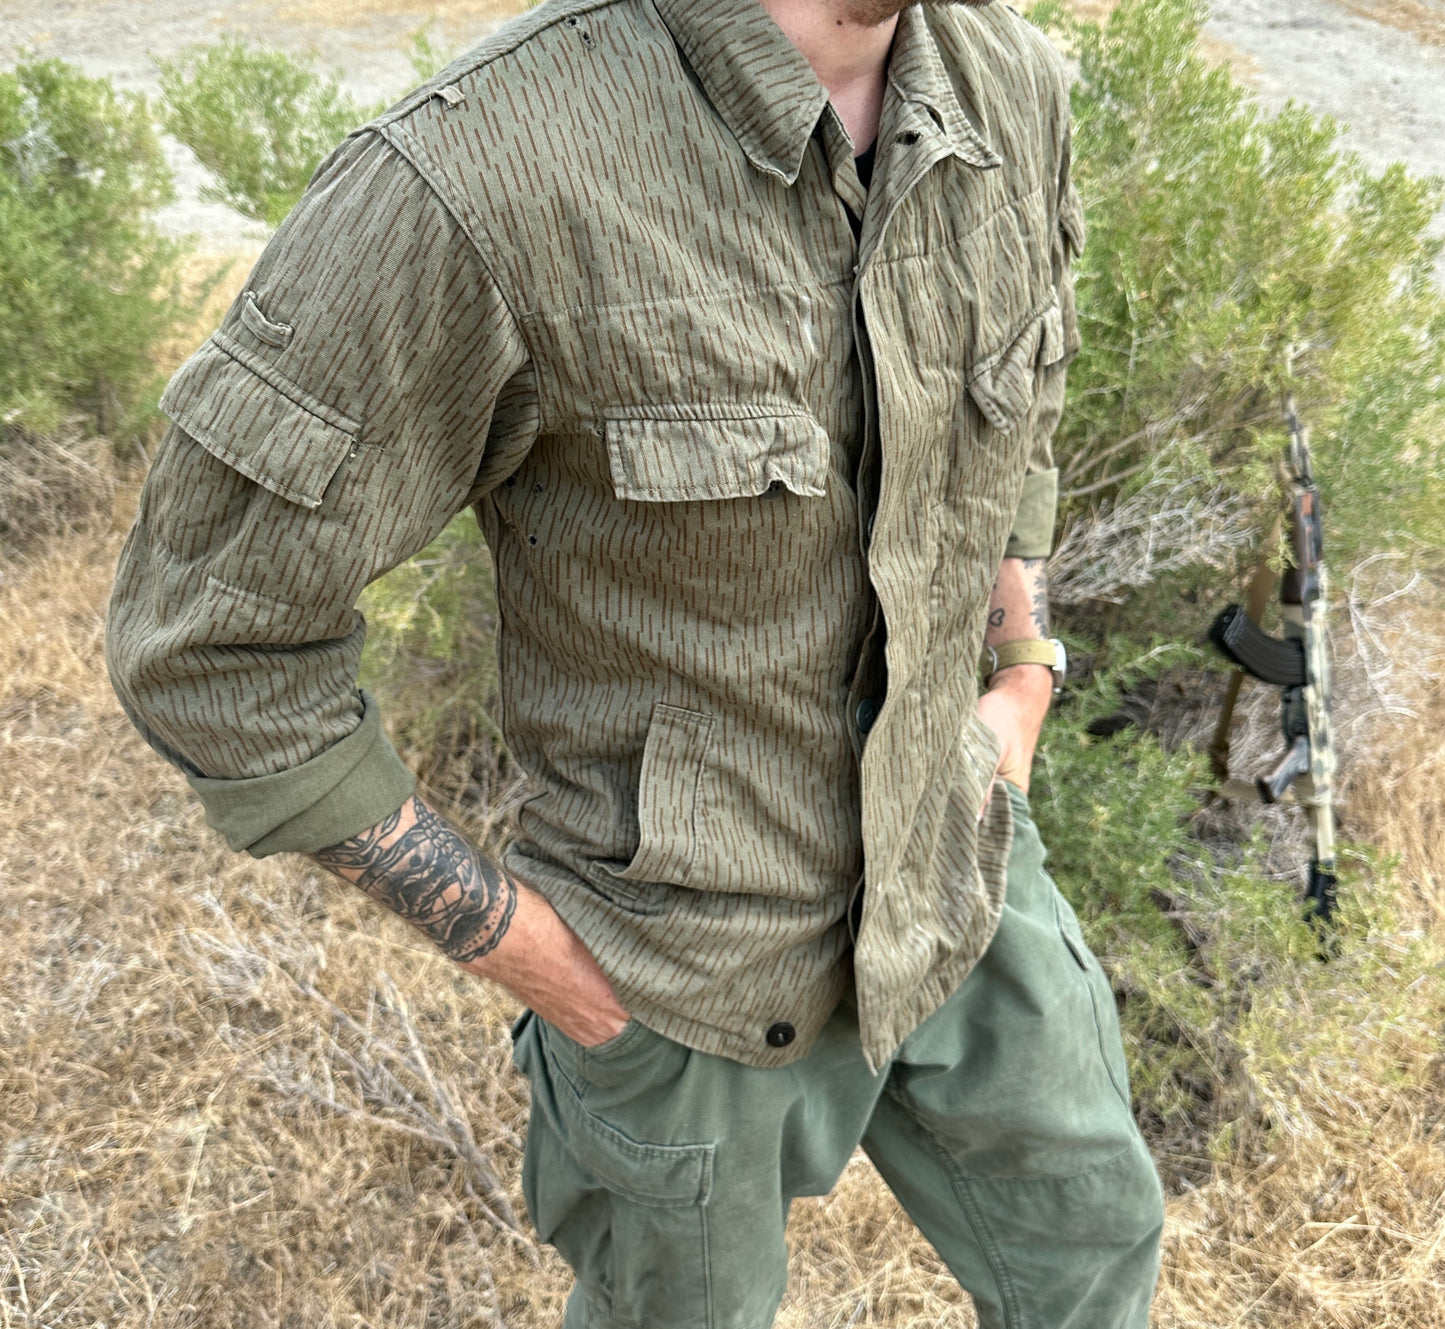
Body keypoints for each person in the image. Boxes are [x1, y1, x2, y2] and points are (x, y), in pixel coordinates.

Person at [107, 0, 1166, 1323]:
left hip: (958, 854)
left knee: (1095, 1245)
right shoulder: (481, 172)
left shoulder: (1010, 86)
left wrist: (1021, 669)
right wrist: (543, 961)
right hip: (672, 971)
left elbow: (1016, 415)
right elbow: (209, 638)